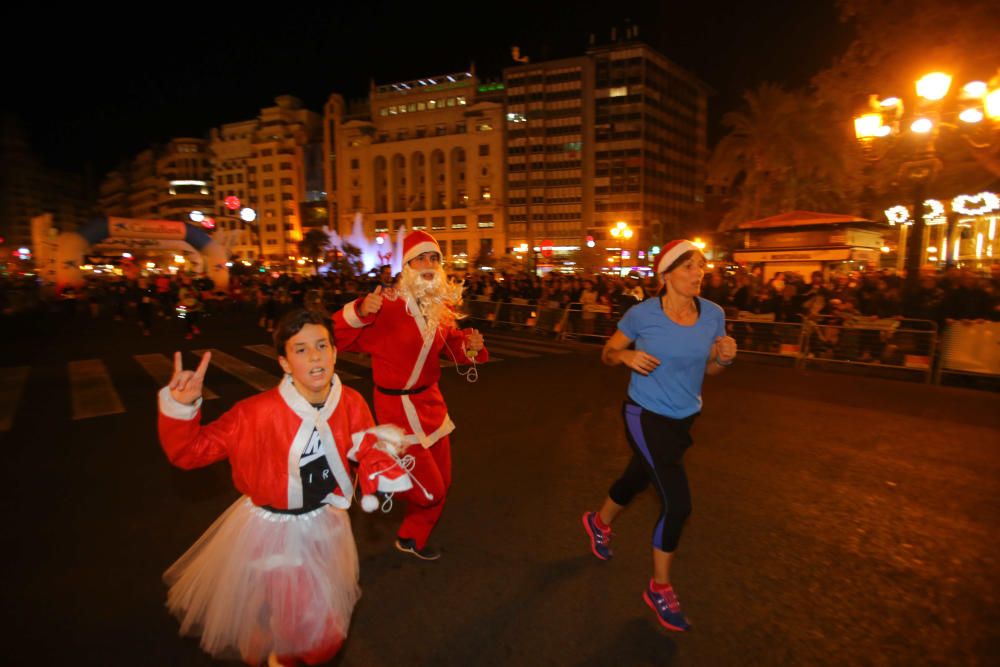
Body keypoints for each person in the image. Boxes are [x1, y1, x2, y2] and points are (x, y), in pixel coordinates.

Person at [157, 309, 412, 666]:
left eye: (322, 345)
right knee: (310, 634)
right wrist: (181, 409)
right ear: (285, 363)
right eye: (302, 349)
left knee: (288, 617)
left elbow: (361, 443)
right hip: (274, 530)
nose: (316, 356)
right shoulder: (254, 413)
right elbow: (189, 452)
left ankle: (276, 654)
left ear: (336, 352)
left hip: (327, 522)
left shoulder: (350, 400)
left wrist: (379, 455)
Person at [581, 239, 737, 632]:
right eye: (687, 267)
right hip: (643, 413)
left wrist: (724, 358)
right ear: (665, 275)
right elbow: (608, 353)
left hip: (684, 417)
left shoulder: (713, 315)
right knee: (677, 502)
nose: (698, 273)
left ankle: (599, 523)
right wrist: (627, 356)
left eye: (700, 266)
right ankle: (659, 587)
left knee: (638, 477)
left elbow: (712, 371)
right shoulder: (642, 315)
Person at [333, 230, 488, 560]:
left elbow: (451, 347)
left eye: (435, 258)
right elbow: (337, 336)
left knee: (442, 484)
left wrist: (470, 347)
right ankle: (380, 471)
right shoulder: (386, 305)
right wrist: (361, 310)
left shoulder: (438, 306)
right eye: (421, 258)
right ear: (406, 266)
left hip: (431, 403)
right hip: (397, 408)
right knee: (429, 489)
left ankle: (411, 538)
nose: (430, 264)